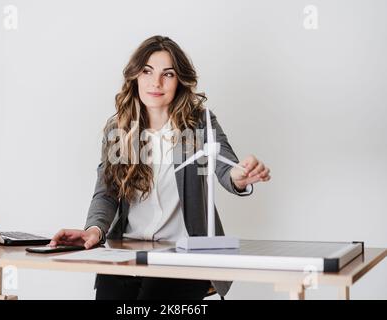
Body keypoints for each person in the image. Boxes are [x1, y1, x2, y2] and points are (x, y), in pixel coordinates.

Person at [49, 35, 271, 300]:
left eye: (168, 74)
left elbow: (226, 166)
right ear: (135, 76)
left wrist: (240, 176)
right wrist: (94, 230)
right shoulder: (118, 129)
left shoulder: (199, 122)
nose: (156, 82)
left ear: (179, 81)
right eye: (147, 71)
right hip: (125, 251)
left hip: (183, 254)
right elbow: (107, 193)